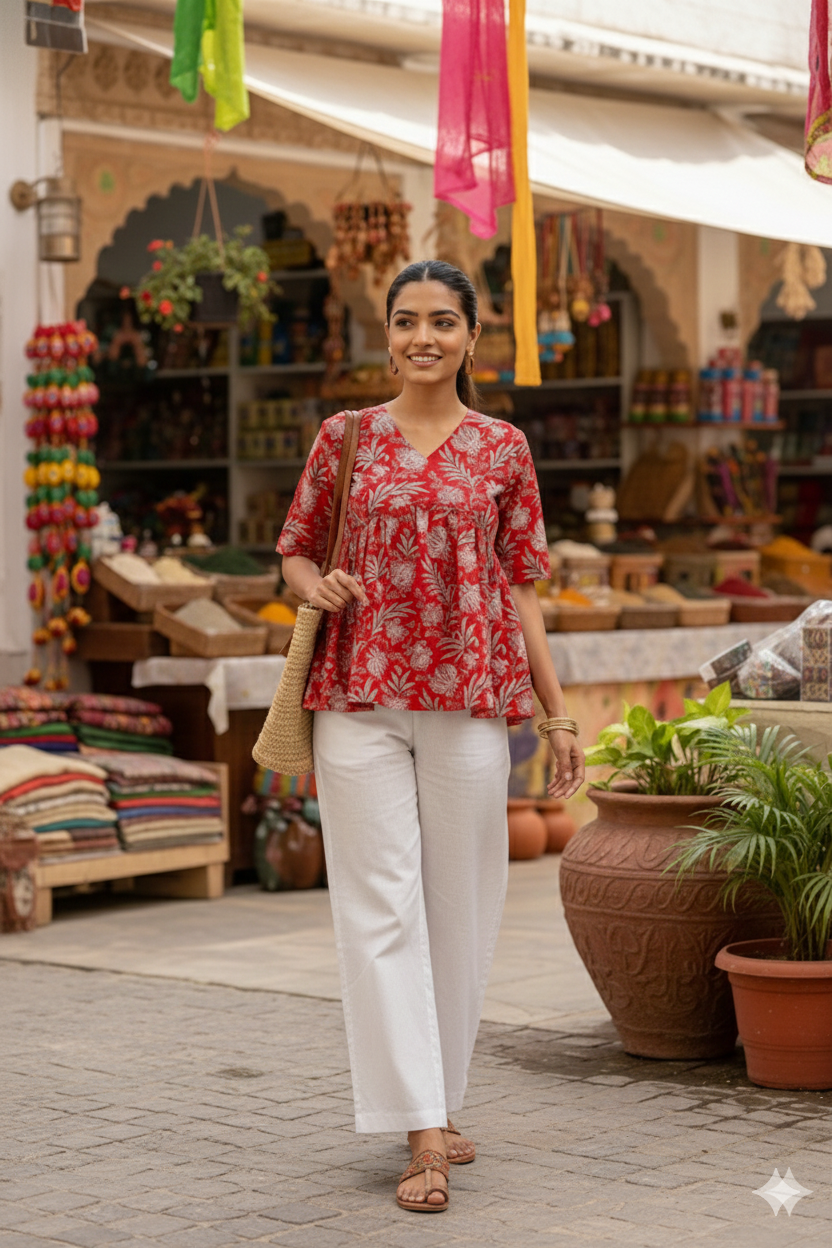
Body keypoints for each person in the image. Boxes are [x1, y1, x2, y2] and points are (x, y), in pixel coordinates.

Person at [278, 259, 585, 1212]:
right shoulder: (347, 438)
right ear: (387, 331)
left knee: (464, 903)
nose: (424, 337)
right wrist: (310, 586)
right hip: (357, 693)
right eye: (407, 320)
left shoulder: (502, 447)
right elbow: (293, 547)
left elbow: (523, 584)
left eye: (443, 321)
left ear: (471, 335)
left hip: (468, 698)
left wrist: (555, 706)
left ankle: (442, 1096)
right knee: (379, 909)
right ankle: (418, 1130)